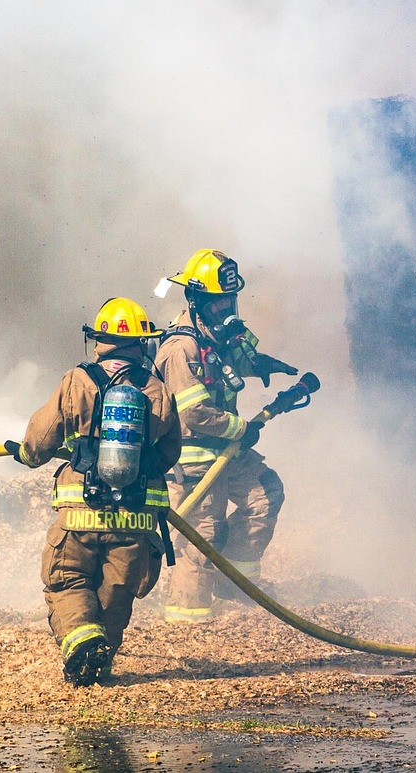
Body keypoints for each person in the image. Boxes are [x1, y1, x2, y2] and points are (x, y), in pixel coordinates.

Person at [7, 297, 181, 686]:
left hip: (80, 512)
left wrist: (27, 454)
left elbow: (40, 439)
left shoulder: (78, 380)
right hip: (135, 519)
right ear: (144, 344)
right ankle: (98, 664)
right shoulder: (157, 390)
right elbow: (169, 452)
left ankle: (84, 648)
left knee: (68, 580)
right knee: (117, 595)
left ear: (98, 340)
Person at [155, 248, 299, 622]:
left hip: (228, 453)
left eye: (229, 299)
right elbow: (194, 412)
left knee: (265, 494)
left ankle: (235, 588)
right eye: (217, 302)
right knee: (202, 537)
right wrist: (242, 428)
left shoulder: (214, 336)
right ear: (195, 299)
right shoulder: (180, 347)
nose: (226, 308)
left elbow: (232, 362)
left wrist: (263, 364)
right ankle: (188, 619)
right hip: (191, 460)